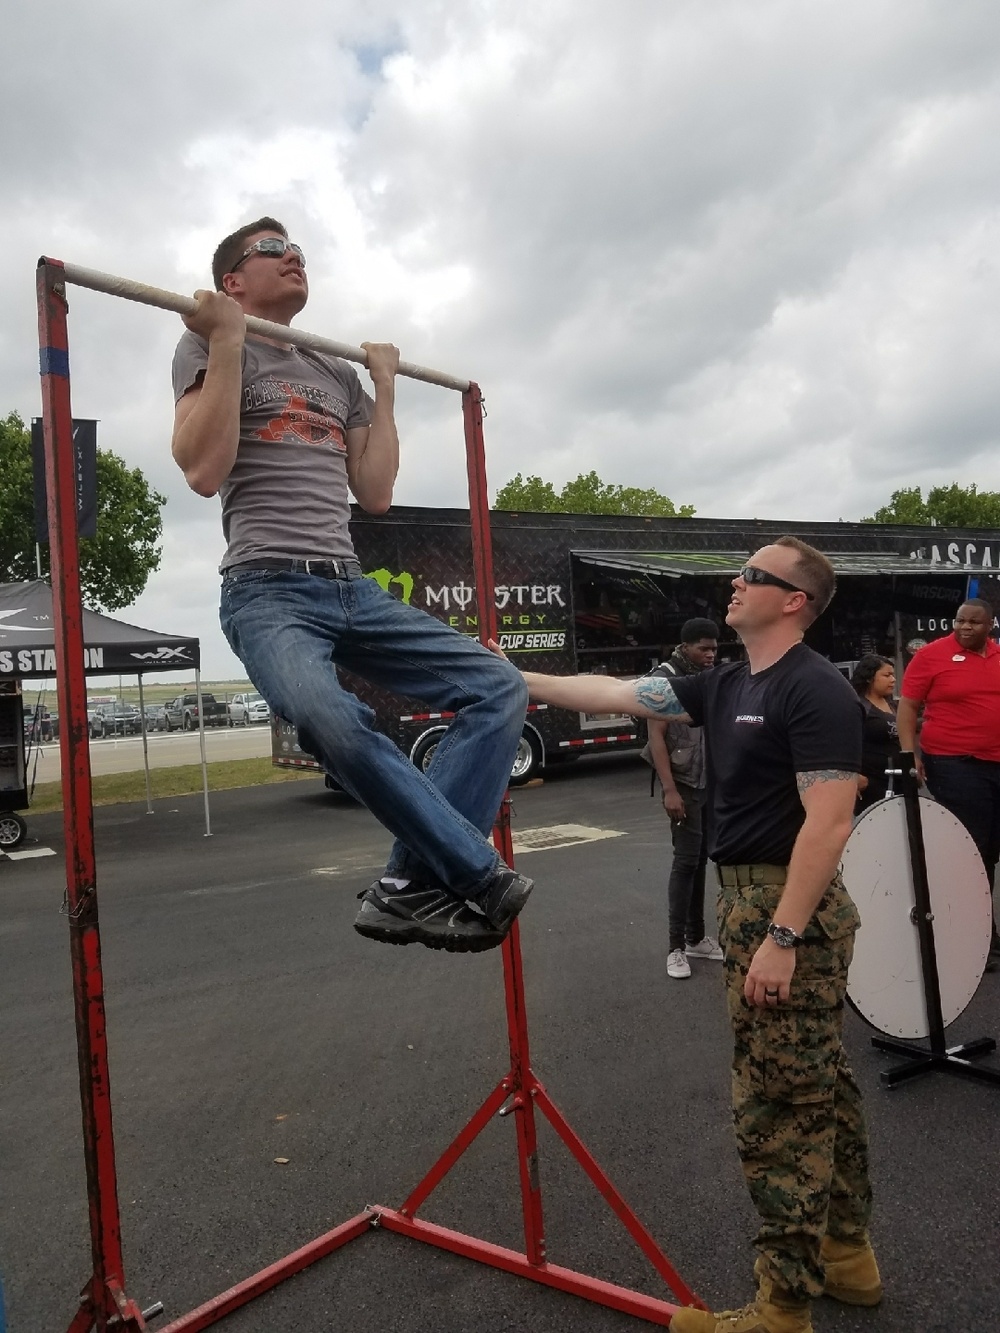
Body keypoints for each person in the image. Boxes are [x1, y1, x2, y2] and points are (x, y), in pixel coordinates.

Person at [495, 536, 879, 1333]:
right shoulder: (729, 680)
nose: (733, 584)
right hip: (752, 903)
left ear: (794, 600)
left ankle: (780, 1309)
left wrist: (782, 935)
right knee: (822, 1089)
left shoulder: (815, 691)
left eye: (753, 576)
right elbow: (621, 691)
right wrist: (516, 677)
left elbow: (830, 823)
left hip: (785, 909)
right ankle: (846, 1257)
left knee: (778, 1108)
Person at [171, 217, 532, 954]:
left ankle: (407, 884)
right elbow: (203, 472)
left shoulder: (335, 372)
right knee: (331, 720)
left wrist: (386, 389)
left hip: (349, 586)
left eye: (298, 247)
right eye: (272, 249)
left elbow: (374, 493)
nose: (294, 254)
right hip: (266, 591)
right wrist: (230, 338)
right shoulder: (205, 343)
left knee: (498, 687)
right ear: (232, 281)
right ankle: (472, 870)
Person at [897, 598, 1000, 963]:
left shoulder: (998, 656)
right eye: (960, 621)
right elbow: (908, 706)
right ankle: (973, 935)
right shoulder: (932, 656)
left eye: (974, 622)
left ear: (990, 625)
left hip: (996, 763)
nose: (965, 627)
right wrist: (911, 753)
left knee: (991, 848)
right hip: (955, 762)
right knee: (973, 848)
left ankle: (982, 926)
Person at [644, 619, 723, 979]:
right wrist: (670, 789)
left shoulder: (707, 676)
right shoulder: (665, 679)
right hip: (684, 783)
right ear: (686, 645)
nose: (710, 654)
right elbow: (656, 736)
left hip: (708, 781)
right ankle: (675, 947)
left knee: (700, 859)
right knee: (686, 860)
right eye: (703, 648)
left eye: (714, 648)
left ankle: (696, 937)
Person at [850, 654, 899, 812]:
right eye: (887, 675)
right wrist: (854, 775)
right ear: (869, 678)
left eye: (893, 675)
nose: (893, 680)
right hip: (871, 782)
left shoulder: (892, 704)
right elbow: (843, 743)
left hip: (900, 778)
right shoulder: (858, 706)